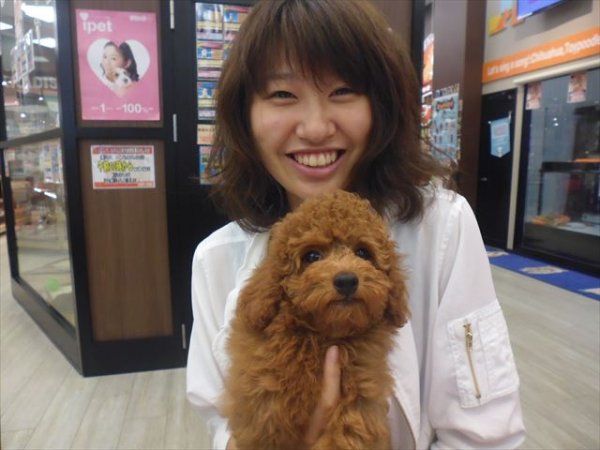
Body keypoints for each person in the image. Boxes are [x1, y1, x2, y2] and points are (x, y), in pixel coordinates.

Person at [186, 1, 526, 449]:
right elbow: (220, 421)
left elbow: (485, 436)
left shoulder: (441, 226)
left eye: (343, 90)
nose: (314, 128)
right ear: (244, 115)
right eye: (283, 94)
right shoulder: (215, 260)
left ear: (380, 105)